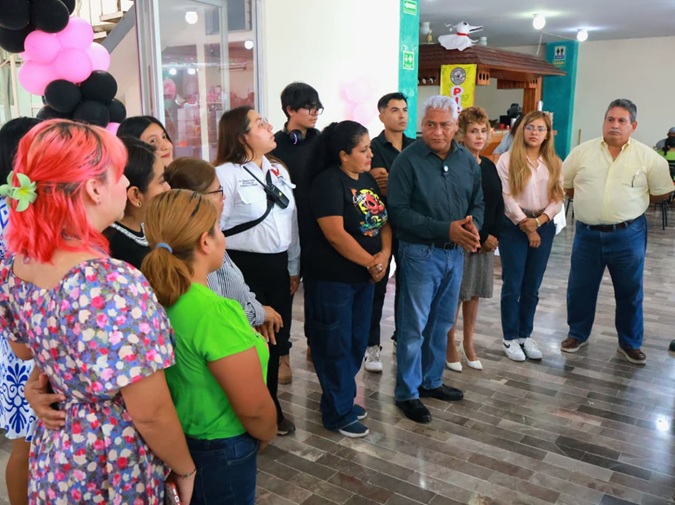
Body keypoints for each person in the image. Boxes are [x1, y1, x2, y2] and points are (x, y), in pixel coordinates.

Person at [0, 120, 195, 504]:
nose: (126, 183)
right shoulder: (111, 282)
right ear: (93, 188)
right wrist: (185, 468)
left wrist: (47, 383)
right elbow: (150, 411)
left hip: (57, 452)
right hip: (109, 458)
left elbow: (25, 350)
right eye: (118, 173)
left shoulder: (17, 263)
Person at [141, 189, 277, 504]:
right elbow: (255, 409)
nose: (223, 238)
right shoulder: (214, 312)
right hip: (220, 448)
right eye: (219, 229)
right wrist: (267, 432)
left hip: (178, 439)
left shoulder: (150, 298)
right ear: (205, 242)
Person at [388, 95, 484, 424]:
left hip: (455, 254)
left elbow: (478, 202)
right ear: (422, 125)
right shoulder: (407, 161)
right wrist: (446, 229)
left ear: (456, 126)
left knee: (441, 324)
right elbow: (398, 212)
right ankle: (407, 392)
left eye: (444, 125)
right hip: (419, 254)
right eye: (431, 124)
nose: (438, 131)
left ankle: (430, 382)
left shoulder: (467, 161)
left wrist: (473, 226)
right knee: (413, 327)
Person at [562, 98, 673, 364]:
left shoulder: (648, 157)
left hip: (628, 235)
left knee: (630, 290)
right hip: (587, 235)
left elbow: (661, 192)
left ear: (633, 126)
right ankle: (577, 334)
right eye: (610, 119)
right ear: (603, 122)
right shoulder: (581, 153)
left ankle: (630, 343)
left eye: (621, 121)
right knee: (580, 287)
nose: (615, 125)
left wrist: (631, 205)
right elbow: (567, 187)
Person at [214, 106, 300, 436]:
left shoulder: (278, 171)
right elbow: (214, 229)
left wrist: (293, 266)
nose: (269, 126)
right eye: (260, 124)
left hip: (277, 266)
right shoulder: (225, 175)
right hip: (241, 267)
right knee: (247, 340)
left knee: (276, 339)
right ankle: (246, 410)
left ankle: (270, 404)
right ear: (242, 136)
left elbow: (290, 222)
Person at [304, 120, 391, 437]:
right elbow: (336, 235)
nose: (370, 155)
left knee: (356, 342)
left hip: (363, 279)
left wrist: (384, 254)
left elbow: (383, 221)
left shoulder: (365, 179)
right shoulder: (328, 183)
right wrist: (371, 263)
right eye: (363, 150)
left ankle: (339, 401)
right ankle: (337, 413)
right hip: (333, 280)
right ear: (343, 155)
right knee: (334, 346)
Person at [164, 157, 283, 341]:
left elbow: (237, 288)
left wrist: (256, 311)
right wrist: (258, 314)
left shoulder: (206, 237)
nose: (224, 197)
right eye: (218, 191)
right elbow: (215, 311)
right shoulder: (196, 249)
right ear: (196, 198)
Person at [496, 111, 563, 362]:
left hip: (543, 225)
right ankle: (510, 337)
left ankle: (525, 335)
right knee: (513, 283)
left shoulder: (554, 162)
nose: (534, 132)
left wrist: (539, 222)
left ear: (547, 135)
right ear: (522, 130)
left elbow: (558, 198)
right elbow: (506, 197)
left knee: (532, 286)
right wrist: (527, 225)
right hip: (514, 226)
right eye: (530, 127)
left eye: (540, 129)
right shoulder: (507, 159)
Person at [270, 81, 324, 381]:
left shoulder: (323, 142)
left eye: (318, 107)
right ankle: (282, 355)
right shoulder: (274, 145)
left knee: (317, 290)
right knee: (284, 293)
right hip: (284, 229)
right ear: (290, 110)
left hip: (317, 228)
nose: (315, 112)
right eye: (309, 107)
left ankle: (315, 344)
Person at [0, 117, 40, 505]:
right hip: (23, 338)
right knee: (28, 443)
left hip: (16, 335)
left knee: (27, 442)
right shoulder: (19, 210)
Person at [446, 106, 504, 372]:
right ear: (461, 135)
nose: (479, 136)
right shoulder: (454, 164)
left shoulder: (489, 165)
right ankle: (449, 343)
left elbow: (496, 203)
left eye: (483, 131)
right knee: (456, 295)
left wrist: (494, 235)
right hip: (464, 238)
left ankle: (469, 343)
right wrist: (478, 235)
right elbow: (456, 204)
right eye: (473, 131)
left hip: (485, 242)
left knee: (474, 294)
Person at [363, 92, 415, 373]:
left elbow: (415, 185)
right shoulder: (372, 148)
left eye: (404, 109)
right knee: (378, 286)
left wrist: (391, 180)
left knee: (408, 287)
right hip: (379, 227)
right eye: (395, 110)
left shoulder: (416, 147)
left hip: (409, 226)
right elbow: (371, 186)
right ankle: (372, 346)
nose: (402, 115)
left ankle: (400, 338)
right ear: (382, 115)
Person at [104, 137, 170, 268]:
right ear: (135, 195)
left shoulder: (148, 227)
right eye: (161, 181)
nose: (168, 188)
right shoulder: (119, 252)